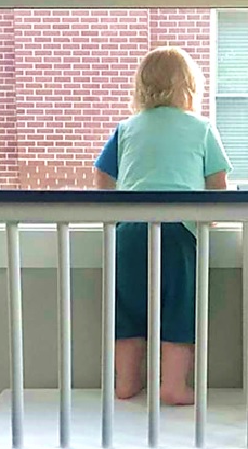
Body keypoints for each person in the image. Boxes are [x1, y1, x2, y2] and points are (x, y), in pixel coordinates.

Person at [93, 46, 232, 405]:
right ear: (189, 88)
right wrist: (210, 219)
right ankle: (172, 385)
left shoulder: (125, 129)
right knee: (179, 306)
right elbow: (217, 185)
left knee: (126, 308)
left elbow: (102, 174)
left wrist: (114, 210)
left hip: (129, 232)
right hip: (177, 231)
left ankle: (125, 383)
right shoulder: (202, 128)